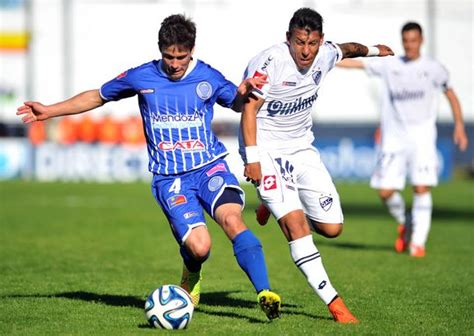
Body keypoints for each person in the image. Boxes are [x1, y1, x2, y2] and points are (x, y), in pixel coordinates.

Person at [17, 14, 281, 320]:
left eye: (181, 57)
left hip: (209, 167)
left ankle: (265, 293)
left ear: (191, 50)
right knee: (200, 247)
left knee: (233, 221)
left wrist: (244, 90)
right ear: (161, 51)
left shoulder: (207, 76)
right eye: (169, 56)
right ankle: (191, 273)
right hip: (170, 179)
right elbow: (98, 96)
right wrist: (49, 111)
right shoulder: (142, 76)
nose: (174, 63)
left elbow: (236, 103)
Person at [239, 7, 394, 324]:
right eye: (299, 43)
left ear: (321, 41)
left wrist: (377, 51)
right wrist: (253, 161)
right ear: (288, 39)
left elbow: (350, 49)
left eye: (311, 44)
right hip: (265, 149)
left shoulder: (326, 54)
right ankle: (335, 305)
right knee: (295, 224)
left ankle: (274, 204)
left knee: (332, 228)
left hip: (301, 148)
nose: (305, 52)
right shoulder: (270, 63)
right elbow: (249, 112)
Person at [337, 22, 468, 257]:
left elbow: (451, 94)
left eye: (414, 41)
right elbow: (356, 64)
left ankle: (418, 243)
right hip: (394, 139)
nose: (410, 45)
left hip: (422, 138)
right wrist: (326, 59)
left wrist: (459, 125)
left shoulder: (434, 68)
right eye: (406, 41)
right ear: (403, 41)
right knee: (385, 191)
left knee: (421, 187)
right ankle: (405, 220)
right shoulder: (391, 65)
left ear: (421, 41)